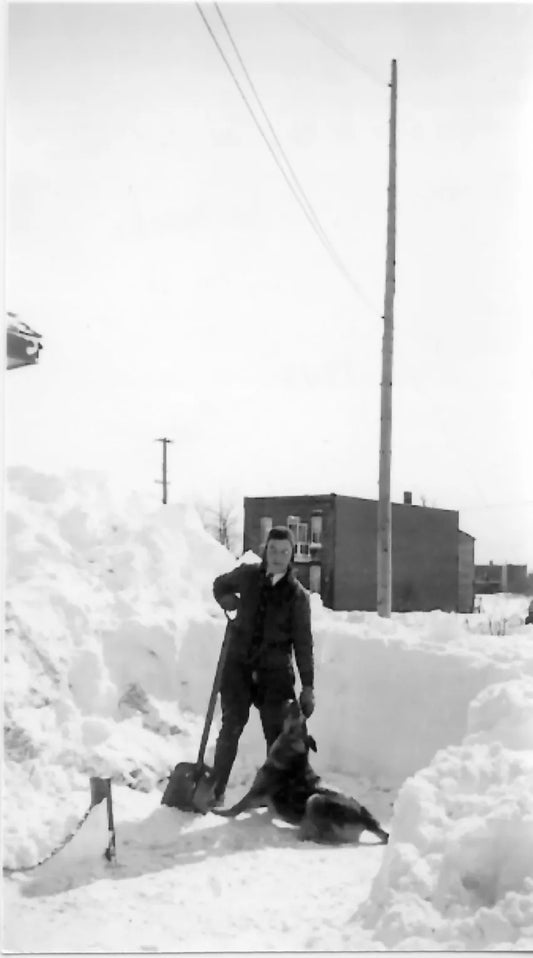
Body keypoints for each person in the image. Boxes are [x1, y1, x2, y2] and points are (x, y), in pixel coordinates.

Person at [210, 525, 315, 805]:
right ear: (265, 549)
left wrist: (308, 686)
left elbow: (303, 644)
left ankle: (274, 794)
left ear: (292, 555)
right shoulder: (247, 575)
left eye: (284, 551)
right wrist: (226, 598)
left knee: (275, 735)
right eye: (273, 549)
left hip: (275, 674)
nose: (278, 556)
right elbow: (219, 584)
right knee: (231, 726)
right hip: (238, 667)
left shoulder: (297, 597)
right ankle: (215, 790)